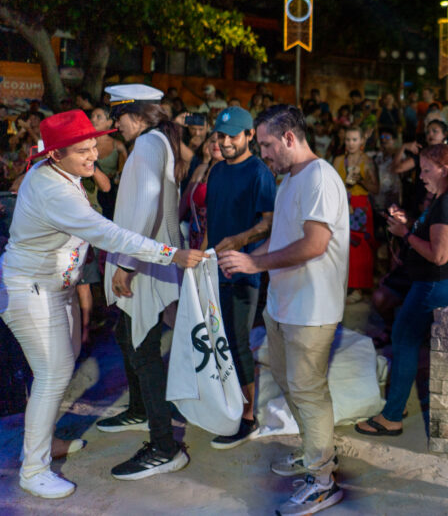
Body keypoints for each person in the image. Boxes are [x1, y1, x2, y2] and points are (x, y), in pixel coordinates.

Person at [0, 111, 204, 499]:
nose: (93, 155)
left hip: (54, 288)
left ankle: (43, 441)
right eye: (83, 150)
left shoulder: (62, 171)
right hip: (28, 289)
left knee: (63, 363)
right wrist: (170, 254)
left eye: (94, 145)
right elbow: (107, 233)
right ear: (56, 156)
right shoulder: (52, 189)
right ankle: (33, 467)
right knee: (53, 373)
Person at [218, 104, 349, 515]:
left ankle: (323, 479)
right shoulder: (291, 179)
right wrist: (244, 254)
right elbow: (280, 238)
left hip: (312, 309)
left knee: (309, 393)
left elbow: (314, 244)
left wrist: (254, 263)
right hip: (283, 305)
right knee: (292, 386)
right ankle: (312, 453)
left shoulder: (320, 177)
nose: (264, 153)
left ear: (290, 138)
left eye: (268, 145)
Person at [98, 85, 193, 480]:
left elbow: (143, 210)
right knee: (132, 339)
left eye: (117, 115)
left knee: (145, 352)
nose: (114, 123)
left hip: (145, 267)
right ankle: (142, 413)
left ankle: (163, 446)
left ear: (135, 114)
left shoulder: (148, 146)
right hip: (151, 262)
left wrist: (125, 263)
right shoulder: (156, 142)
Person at [355, 144, 448, 437]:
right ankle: (397, 402)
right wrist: (406, 223)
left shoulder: (446, 202)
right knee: (403, 336)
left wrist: (405, 235)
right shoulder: (442, 199)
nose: (420, 175)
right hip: (441, 281)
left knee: (403, 337)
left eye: (426, 169)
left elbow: (439, 256)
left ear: (445, 170)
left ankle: (392, 416)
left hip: (440, 283)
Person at [203, 106, 277, 450]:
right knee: (218, 340)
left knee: (237, 342)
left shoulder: (259, 172)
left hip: (244, 271)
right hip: (212, 268)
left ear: (249, 135)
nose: (226, 142)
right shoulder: (216, 171)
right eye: (221, 136)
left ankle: (248, 418)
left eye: (233, 136)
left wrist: (239, 242)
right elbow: (211, 219)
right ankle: (228, 403)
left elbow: (269, 223)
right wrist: (201, 255)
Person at [332, 125, 379, 300]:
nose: (350, 143)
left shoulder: (367, 161)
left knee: (360, 247)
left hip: (361, 206)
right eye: (348, 139)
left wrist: (362, 181)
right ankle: (345, 285)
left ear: (361, 141)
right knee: (341, 246)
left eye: (354, 140)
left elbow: (376, 189)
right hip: (343, 205)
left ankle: (358, 289)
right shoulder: (337, 160)